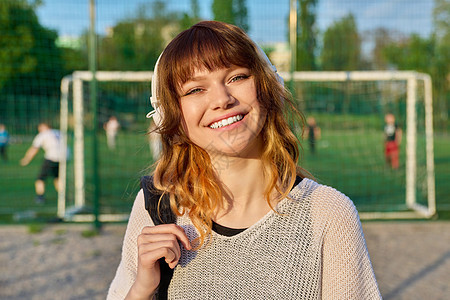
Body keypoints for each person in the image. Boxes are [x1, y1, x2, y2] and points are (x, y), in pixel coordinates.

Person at [108, 21, 381, 300]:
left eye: (236, 77)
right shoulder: (157, 206)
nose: (222, 99)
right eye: (195, 90)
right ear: (171, 116)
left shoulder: (329, 214)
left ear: (268, 88)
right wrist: (143, 288)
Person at [20, 123, 62, 204]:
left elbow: (34, 148)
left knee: (40, 178)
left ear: (45, 127)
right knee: (57, 177)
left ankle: (40, 197)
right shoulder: (58, 132)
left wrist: (26, 159)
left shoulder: (43, 134)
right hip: (64, 157)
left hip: (52, 157)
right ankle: (62, 196)